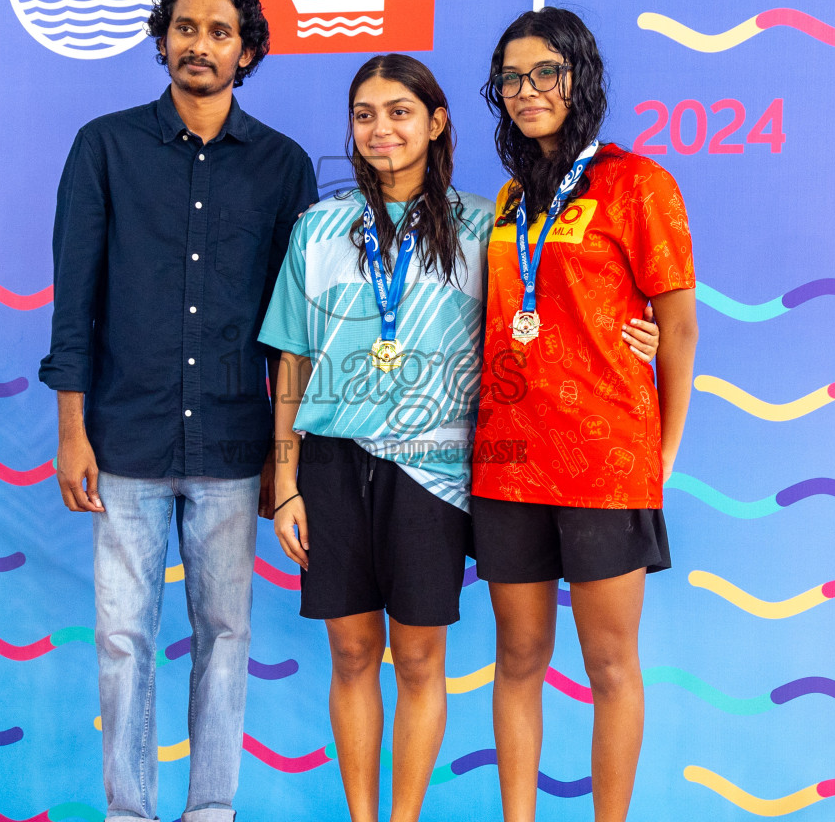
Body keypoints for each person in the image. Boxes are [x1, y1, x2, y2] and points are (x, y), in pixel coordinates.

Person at [258, 54, 660, 822]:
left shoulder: (491, 224)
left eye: (401, 112)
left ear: (437, 122)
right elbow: (290, 364)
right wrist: (284, 484)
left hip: (436, 473)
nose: (382, 130)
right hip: (331, 468)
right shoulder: (316, 228)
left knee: (416, 659)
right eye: (365, 115)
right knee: (348, 656)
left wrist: (632, 331)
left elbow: (556, 305)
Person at [39, 0, 318, 822]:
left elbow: (294, 337)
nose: (201, 45)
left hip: (235, 448)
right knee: (123, 641)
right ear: (163, 40)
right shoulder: (105, 147)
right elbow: (73, 297)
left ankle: (210, 811)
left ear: (247, 51)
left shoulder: (282, 167)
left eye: (221, 33)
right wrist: (72, 431)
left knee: (226, 638)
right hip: (122, 441)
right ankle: (129, 811)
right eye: (187, 27)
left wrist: (287, 461)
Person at [470, 7, 698, 822]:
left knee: (609, 663)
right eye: (511, 78)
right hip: (505, 463)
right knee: (519, 656)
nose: (527, 91)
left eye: (545, 74)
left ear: (579, 78)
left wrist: (661, 451)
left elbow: (675, 327)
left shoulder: (639, 184)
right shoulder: (503, 200)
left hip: (604, 462)